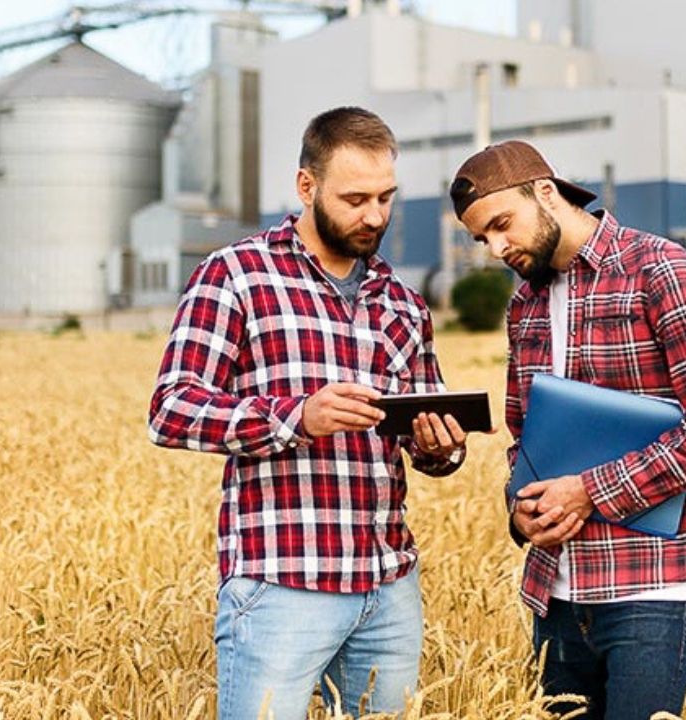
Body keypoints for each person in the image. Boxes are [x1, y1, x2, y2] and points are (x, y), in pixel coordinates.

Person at [149, 107, 468, 720]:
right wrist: (297, 418)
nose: (374, 215)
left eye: (386, 197)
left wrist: (439, 444)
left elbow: (433, 445)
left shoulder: (402, 300)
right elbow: (171, 410)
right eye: (355, 198)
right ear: (306, 187)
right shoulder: (236, 275)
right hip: (282, 582)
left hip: (388, 586)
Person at [450, 140, 686, 719]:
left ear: (546, 192)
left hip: (649, 587)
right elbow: (524, 435)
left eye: (501, 225)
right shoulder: (525, 306)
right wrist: (521, 505)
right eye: (480, 237)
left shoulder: (661, 270)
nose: (494, 248)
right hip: (555, 590)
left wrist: (590, 490)